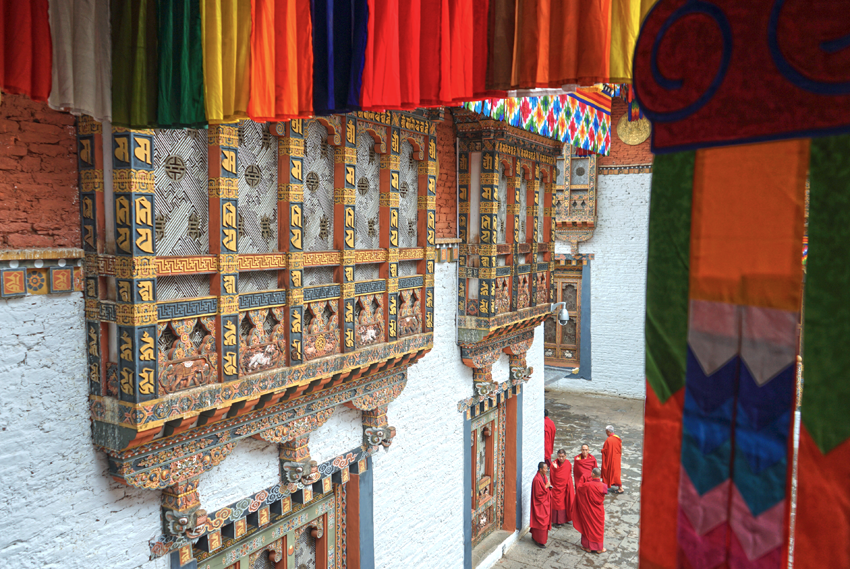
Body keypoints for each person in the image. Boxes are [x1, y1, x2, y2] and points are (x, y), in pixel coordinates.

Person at [573, 467, 608, 553]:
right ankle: (599, 548)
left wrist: (582, 478)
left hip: (589, 510)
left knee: (588, 526)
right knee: (598, 529)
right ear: (599, 476)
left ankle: (588, 547)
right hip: (599, 511)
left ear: (592, 474)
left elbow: (579, 487)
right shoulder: (604, 486)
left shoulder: (587, 485)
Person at [549, 449, 575, 527]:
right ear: (557, 456)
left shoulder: (568, 464)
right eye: (559, 456)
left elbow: (569, 475)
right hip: (557, 488)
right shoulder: (553, 464)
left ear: (565, 456)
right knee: (557, 504)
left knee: (566, 502)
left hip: (566, 487)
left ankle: (566, 518)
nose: (561, 458)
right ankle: (557, 521)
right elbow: (552, 478)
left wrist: (568, 485)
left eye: (562, 456)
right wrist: (556, 470)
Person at [530, 461, 553, 548]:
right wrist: (546, 487)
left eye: (547, 468)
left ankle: (536, 537)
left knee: (543, 522)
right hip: (540, 505)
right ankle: (540, 541)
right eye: (545, 468)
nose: (547, 470)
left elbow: (544, 488)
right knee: (541, 522)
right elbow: (538, 495)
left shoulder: (543, 476)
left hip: (544, 503)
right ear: (540, 469)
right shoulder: (536, 480)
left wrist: (548, 487)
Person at [601, 425, 624, 493]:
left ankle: (605, 489)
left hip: (610, 459)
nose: (605, 432)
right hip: (616, 459)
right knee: (616, 473)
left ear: (608, 431)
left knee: (606, 472)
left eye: (606, 431)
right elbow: (620, 448)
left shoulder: (608, 440)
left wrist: (602, 451)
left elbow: (605, 450)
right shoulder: (618, 438)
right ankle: (620, 488)